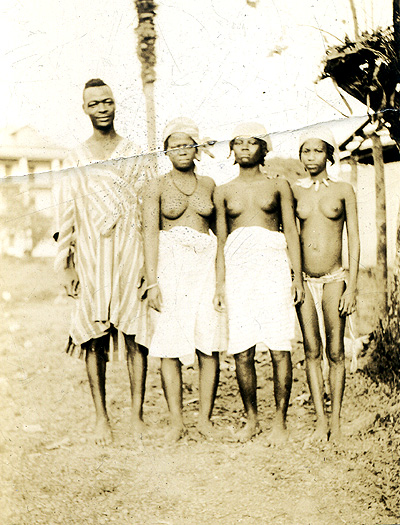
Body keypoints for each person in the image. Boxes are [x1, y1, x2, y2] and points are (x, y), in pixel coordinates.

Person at [54, 79, 150, 445]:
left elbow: (146, 210)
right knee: (93, 336)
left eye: (108, 101)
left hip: (130, 251)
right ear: (85, 109)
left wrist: (147, 266)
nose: (103, 108)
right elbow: (66, 213)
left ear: (115, 104)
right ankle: (101, 419)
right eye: (94, 104)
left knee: (134, 334)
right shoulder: (75, 157)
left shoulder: (135, 152)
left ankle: (137, 418)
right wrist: (67, 264)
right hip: (92, 254)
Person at [214, 122, 304, 444]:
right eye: (238, 142)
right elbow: (222, 242)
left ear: (264, 149)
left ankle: (279, 422)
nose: (245, 148)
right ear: (232, 150)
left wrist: (297, 277)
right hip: (239, 274)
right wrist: (220, 285)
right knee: (242, 349)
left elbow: (291, 232)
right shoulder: (223, 191)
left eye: (253, 143)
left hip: (274, 270)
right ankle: (252, 420)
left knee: (280, 346)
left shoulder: (279, 185)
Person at [141, 117, 222, 442]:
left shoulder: (210, 185)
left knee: (208, 340)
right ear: (166, 150)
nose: (181, 150)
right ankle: (177, 422)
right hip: (170, 269)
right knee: (169, 344)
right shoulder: (156, 186)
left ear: (197, 148)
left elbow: (220, 232)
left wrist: (220, 279)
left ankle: (204, 419)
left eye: (187, 143)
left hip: (204, 268)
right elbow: (149, 234)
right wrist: (151, 282)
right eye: (174, 145)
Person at [292, 127, 360, 442]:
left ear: (328, 154)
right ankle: (320, 422)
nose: (311, 157)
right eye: (306, 151)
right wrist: (295, 279)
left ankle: (336, 423)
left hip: (335, 279)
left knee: (335, 351)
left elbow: (355, 240)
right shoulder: (295, 191)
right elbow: (291, 239)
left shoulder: (343, 190)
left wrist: (353, 286)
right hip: (305, 281)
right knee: (311, 350)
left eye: (317, 151)